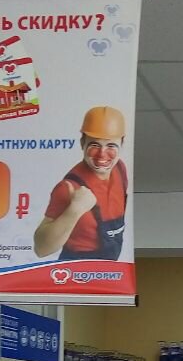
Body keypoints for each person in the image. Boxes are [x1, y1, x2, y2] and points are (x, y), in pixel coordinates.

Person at [33, 106, 129, 261]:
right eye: (94, 145)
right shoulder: (69, 188)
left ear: (122, 144)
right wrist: (75, 210)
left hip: (111, 270)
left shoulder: (120, 170)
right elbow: (41, 249)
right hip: (76, 270)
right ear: (82, 143)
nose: (102, 154)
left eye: (111, 146)